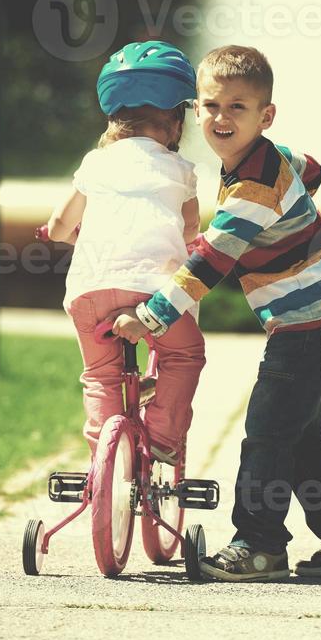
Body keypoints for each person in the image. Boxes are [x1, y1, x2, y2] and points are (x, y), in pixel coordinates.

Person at [112, 45, 321, 581]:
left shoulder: (252, 188)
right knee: (298, 435)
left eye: (238, 108)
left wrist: (149, 319)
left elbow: (211, 261)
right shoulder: (269, 157)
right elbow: (313, 168)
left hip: (307, 327)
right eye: (212, 105)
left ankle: (259, 545)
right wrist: (295, 203)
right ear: (195, 110)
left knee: (266, 433)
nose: (221, 118)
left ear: (266, 116)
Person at [47, 40, 206, 466]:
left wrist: (60, 231)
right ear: (175, 122)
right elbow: (190, 228)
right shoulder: (181, 171)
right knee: (184, 356)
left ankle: (105, 468)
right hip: (153, 291)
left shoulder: (94, 163)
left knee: (100, 377)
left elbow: (62, 225)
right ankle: (161, 438)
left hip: (89, 291)